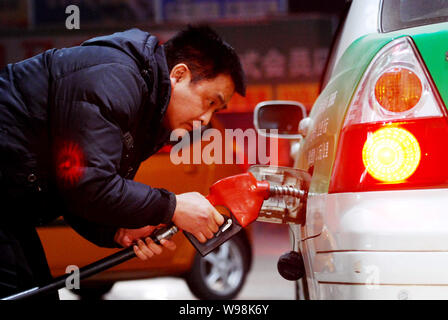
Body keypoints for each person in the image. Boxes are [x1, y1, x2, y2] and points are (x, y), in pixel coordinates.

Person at [0, 25, 246, 299]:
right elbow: (89, 181)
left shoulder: (149, 114)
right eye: (209, 101)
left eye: (216, 109)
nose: (206, 118)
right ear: (178, 75)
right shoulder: (115, 77)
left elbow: (73, 189)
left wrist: (117, 230)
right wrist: (173, 207)